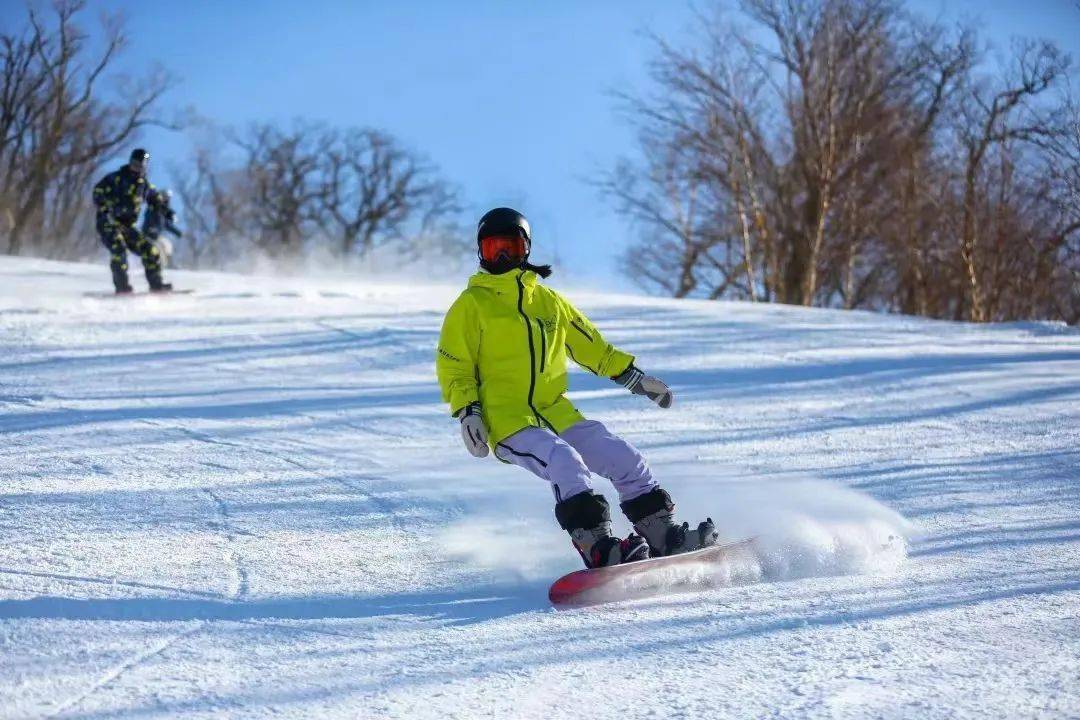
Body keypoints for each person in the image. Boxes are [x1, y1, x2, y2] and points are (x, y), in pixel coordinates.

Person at [436, 207, 717, 569]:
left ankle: (664, 536)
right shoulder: (471, 305)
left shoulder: (550, 304)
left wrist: (633, 377)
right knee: (564, 461)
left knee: (623, 457)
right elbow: (454, 365)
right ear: (481, 254)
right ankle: (598, 547)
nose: (502, 257)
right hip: (507, 422)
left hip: (556, 411)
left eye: (510, 247)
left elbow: (592, 348)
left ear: (526, 250)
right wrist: (468, 412)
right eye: (493, 250)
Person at [92, 148, 172, 293]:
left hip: (127, 227)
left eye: (140, 166)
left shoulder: (144, 186)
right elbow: (97, 191)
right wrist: (105, 205)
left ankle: (156, 285)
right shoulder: (116, 178)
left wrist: (167, 212)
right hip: (109, 222)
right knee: (119, 248)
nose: (136, 169)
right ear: (129, 162)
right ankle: (122, 286)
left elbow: (156, 200)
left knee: (151, 250)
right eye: (134, 164)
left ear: (145, 167)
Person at [141, 188, 183, 267]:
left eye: (168, 199)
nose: (167, 201)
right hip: (149, 233)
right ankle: (157, 265)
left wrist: (178, 233)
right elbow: (148, 217)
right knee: (160, 247)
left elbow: (167, 225)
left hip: (156, 235)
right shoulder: (154, 207)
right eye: (165, 198)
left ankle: (167, 264)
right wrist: (150, 228)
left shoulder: (163, 211)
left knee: (167, 245)